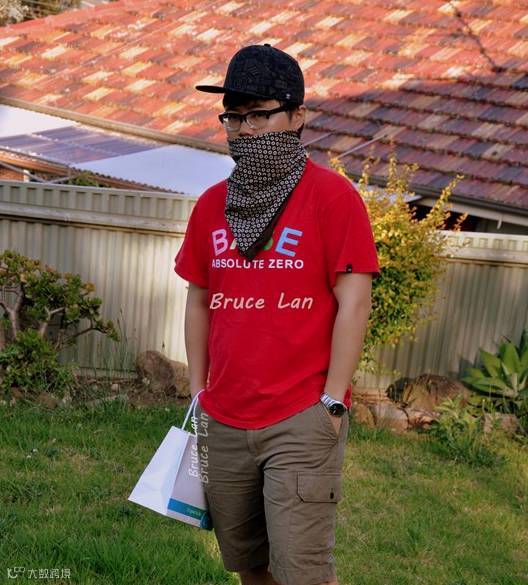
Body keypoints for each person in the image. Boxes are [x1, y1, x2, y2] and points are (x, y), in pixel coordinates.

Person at [174, 43, 380, 585]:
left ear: (297, 116)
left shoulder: (332, 198)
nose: (244, 130)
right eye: (234, 117)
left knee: (303, 573)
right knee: (248, 565)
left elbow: (355, 301)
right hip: (224, 416)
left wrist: (332, 401)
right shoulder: (212, 204)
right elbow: (199, 298)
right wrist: (198, 393)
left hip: (301, 416)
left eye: (259, 115)